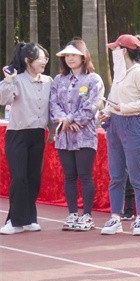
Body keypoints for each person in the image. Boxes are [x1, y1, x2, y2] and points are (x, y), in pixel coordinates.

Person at [100, 35, 140, 236]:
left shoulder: (138, 72)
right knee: (116, 175)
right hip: (116, 125)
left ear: (124, 51)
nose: (113, 52)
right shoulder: (119, 72)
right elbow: (112, 99)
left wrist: (125, 108)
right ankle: (115, 217)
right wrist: (107, 112)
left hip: (135, 124)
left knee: (137, 174)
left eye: (115, 49)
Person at [49, 40, 104, 232]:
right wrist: (63, 120)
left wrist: (71, 119)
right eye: (67, 55)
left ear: (83, 56)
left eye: (74, 55)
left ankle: (87, 215)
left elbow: (92, 106)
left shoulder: (93, 79)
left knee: (85, 175)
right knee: (69, 176)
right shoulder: (59, 80)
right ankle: (72, 213)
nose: (70, 58)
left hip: (84, 135)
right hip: (64, 135)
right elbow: (53, 104)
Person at [0, 43, 51, 235]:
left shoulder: (48, 81)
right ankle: (14, 221)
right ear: (28, 60)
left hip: (38, 134)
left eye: (45, 58)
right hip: (18, 134)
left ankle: (29, 219)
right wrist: (8, 80)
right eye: (40, 58)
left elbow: (52, 107)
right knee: (19, 177)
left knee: (33, 178)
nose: (44, 62)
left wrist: (53, 130)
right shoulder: (17, 80)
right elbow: (3, 99)